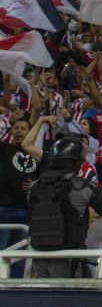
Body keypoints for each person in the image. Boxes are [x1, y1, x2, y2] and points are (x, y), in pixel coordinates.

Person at [28, 137, 102, 278]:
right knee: (73, 299)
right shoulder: (82, 187)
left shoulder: (34, 187)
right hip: (70, 257)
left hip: (38, 257)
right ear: (75, 162)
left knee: (44, 299)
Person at [0, 118, 37, 278]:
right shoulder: (4, 149)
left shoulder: (39, 154)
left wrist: (35, 184)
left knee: (20, 253)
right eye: (16, 128)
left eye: (23, 128)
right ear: (11, 131)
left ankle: (15, 286)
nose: (19, 131)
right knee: (2, 248)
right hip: (5, 208)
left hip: (28, 210)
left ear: (31, 132)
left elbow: (47, 178)